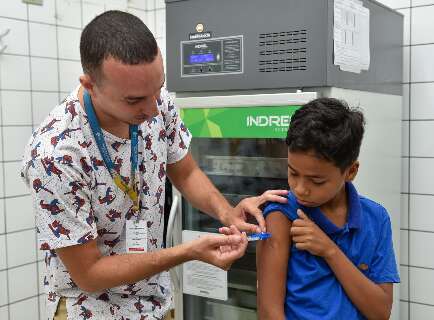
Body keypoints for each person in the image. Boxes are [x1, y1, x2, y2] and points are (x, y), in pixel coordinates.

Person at [21, 10, 287, 320]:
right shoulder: (55, 155)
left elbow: (185, 171)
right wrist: (188, 252)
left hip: (155, 301)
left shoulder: (157, 104)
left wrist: (228, 213)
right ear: (90, 84)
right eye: (134, 100)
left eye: (157, 89)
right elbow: (89, 274)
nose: (151, 109)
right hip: (91, 310)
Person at [256, 98, 400, 320]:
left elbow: (381, 312)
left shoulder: (376, 218)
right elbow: (269, 312)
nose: (300, 189)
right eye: (293, 173)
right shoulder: (281, 214)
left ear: (350, 171)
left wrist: (329, 251)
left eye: (317, 181)